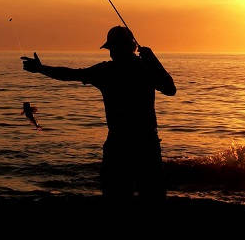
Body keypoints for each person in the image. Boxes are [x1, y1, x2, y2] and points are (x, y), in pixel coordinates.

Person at [20, 26, 176, 203]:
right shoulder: (144, 69)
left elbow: (70, 74)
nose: (112, 53)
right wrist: (154, 61)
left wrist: (41, 69)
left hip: (120, 144)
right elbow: (170, 89)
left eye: (113, 48)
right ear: (133, 46)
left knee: (116, 196)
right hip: (145, 144)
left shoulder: (107, 71)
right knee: (151, 197)